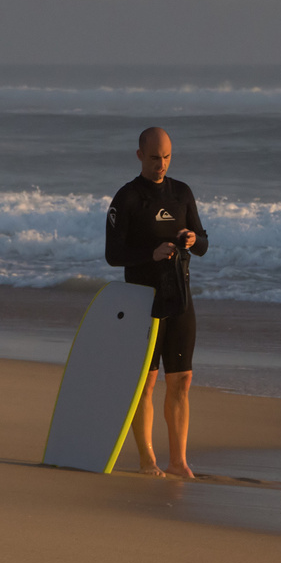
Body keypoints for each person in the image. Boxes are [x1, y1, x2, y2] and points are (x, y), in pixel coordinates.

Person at [105, 127, 209, 478]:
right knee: (146, 383)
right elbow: (113, 254)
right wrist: (150, 254)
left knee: (182, 379)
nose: (161, 164)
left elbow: (204, 242)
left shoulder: (182, 193)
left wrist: (192, 239)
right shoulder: (128, 198)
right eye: (154, 158)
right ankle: (147, 459)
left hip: (178, 297)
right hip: (142, 303)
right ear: (139, 156)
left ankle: (178, 461)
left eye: (166, 157)